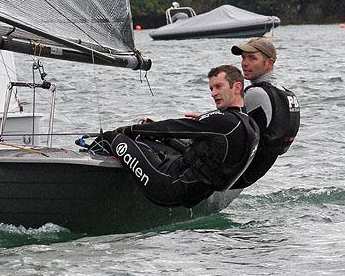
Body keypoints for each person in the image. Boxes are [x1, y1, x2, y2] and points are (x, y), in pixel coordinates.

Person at [96, 65, 259, 208]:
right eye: (211, 89)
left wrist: (132, 129)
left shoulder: (224, 121)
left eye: (218, 87)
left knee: (113, 137)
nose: (213, 93)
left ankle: (90, 166)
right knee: (146, 140)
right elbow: (204, 159)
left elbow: (173, 127)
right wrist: (158, 136)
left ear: (237, 88)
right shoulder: (250, 126)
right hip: (193, 194)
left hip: (167, 187)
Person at [229, 37, 300, 189]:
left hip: (235, 174)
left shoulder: (256, 92)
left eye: (252, 58)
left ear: (269, 63)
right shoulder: (288, 94)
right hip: (255, 171)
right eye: (243, 58)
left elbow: (225, 125)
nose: (244, 63)